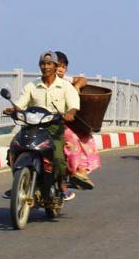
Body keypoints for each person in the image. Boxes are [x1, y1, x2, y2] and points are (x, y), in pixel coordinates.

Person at [4, 51, 80, 201]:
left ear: (56, 66)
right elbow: (21, 103)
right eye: (43, 64)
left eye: (49, 64)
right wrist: (13, 109)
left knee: (57, 157)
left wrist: (70, 113)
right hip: (31, 126)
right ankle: (18, 183)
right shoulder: (32, 86)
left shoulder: (65, 86)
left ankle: (61, 184)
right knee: (14, 149)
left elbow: (73, 105)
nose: (45, 67)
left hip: (53, 128)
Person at [54, 51, 101, 190]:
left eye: (63, 66)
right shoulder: (42, 82)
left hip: (61, 122)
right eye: (57, 66)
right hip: (43, 121)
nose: (60, 69)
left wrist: (77, 86)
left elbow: (82, 79)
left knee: (78, 138)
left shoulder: (67, 82)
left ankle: (77, 172)